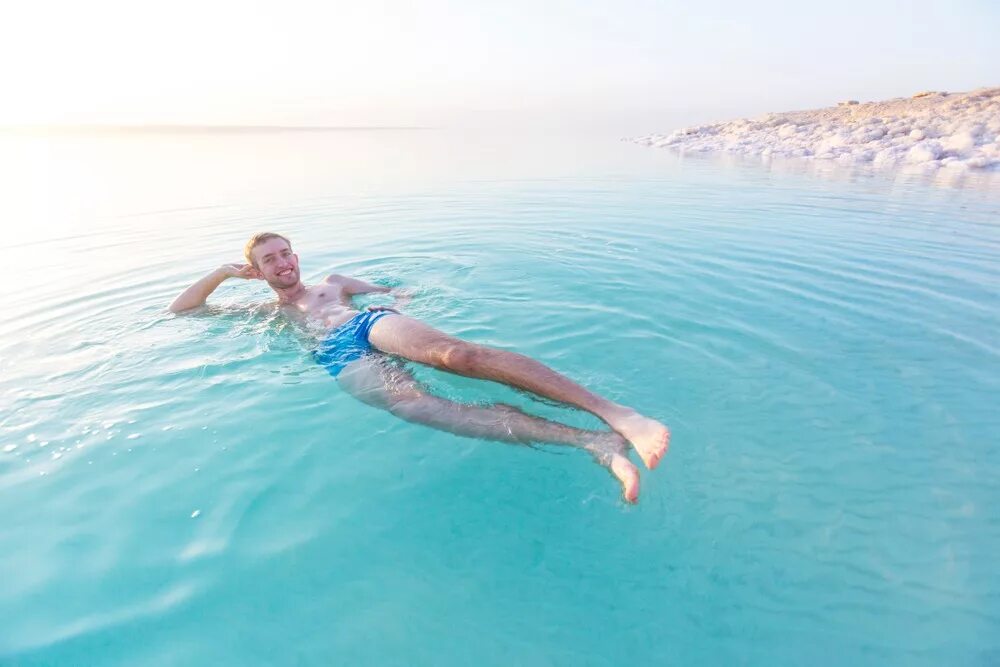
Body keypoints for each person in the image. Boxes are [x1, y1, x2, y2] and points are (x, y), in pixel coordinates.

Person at [169, 232, 669, 502]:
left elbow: (389, 292)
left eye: (286, 253)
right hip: (336, 356)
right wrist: (220, 273)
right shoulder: (266, 312)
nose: (283, 264)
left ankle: (617, 414)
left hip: (365, 325)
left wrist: (397, 298)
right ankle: (593, 443)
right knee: (419, 408)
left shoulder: (334, 283)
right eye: (269, 260)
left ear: (296, 255)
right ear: (256, 272)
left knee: (457, 357)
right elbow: (183, 311)